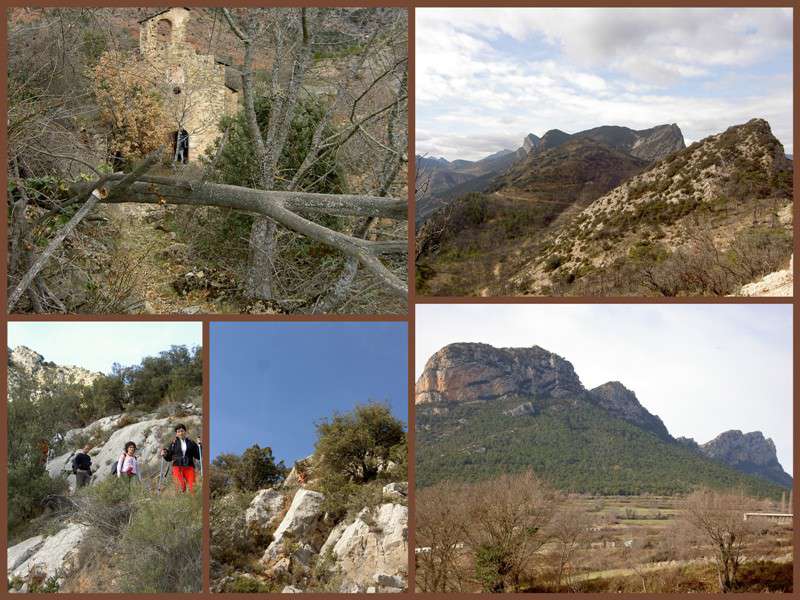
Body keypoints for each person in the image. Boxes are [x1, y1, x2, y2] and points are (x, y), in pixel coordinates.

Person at [161, 423, 201, 493]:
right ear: (176, 434)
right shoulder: (173, 443)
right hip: (177, 467)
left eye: (182, 431)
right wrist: (165, 454)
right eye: (178, 431)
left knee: (193, 488)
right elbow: (169, 457)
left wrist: (201, 446)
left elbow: (198, 455)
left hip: (189, 466)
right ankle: (180, 501)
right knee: (181, 486)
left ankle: (192, 502)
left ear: (185, 432)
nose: (180, 433)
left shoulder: (191, 443)